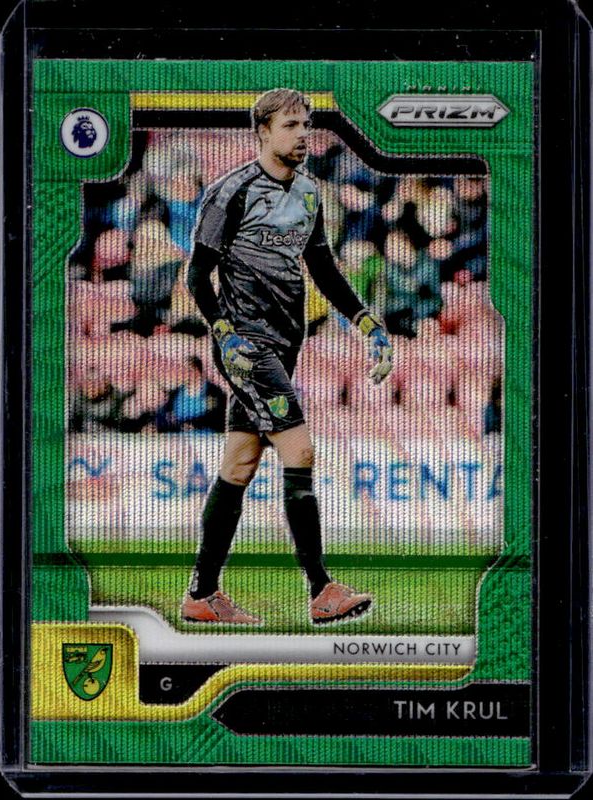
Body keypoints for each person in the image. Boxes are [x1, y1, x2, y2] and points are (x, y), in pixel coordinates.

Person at [184, 88, 393, 625]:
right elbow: (197, 275)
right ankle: (322, 589)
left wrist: (365, 319)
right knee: (300, 451)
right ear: (263, 132)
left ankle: (202, 595)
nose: (303, 135)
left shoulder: (309, 193)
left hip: (286, 342)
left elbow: (323, 269)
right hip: (246, 345)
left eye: (307, 125)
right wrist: (225, 333)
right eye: (291, 125)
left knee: (240, 463)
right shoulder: (230, 192)